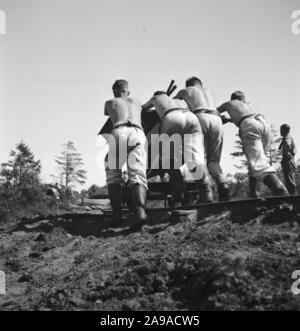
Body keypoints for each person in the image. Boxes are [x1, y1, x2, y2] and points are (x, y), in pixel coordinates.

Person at [218, 91, 288, 197]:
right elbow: (245, 116)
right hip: (264, 126)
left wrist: (220, 118)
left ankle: (280, 190)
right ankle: (254, 193)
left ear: (233, 99)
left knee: (258, 163)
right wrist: (229, 120)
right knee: (255, 162)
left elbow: (213, 112)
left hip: (249, 125)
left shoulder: (229, 103)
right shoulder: (249, 105)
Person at [142, 91, 207, 206]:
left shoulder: (156, 97)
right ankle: (206, 192)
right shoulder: (179, 101)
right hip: (191, 117)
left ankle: (177, 197)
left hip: (172, 118)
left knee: (170, 161)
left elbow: (142, 109)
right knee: (195, 158)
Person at [174, 77, 230, 201]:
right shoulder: (208, 91)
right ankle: (223, 184)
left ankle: (206, 192)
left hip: (199, 117)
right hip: (217, 119)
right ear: (200, 84)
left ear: (188, 85)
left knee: (196, 158)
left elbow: (172, 105)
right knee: (213, 161)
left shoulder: (185, 90)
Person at [102, 79, 147, 228]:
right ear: (128, 90)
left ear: (114, 91)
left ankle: (117, 215)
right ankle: (140, 212)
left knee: (113, 173)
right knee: (137, 173)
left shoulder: (110, 102)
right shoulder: (136, 101)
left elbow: (106, 113)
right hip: (138, 132)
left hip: (118, 131)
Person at [279, 124, 297, 195]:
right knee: (288, 180)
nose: (280, 132)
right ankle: (292, 196)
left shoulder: (287, 138)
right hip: (289, 160)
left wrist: (286, 154)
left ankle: (293, 198)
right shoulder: (288, 137)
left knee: (290, 181)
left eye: (281, 130)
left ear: (285, 130)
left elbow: (287, 144)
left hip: (288, 160)